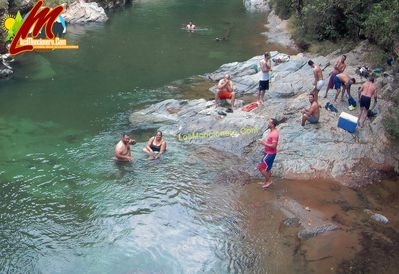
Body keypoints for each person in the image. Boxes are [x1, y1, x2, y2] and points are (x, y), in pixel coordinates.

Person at [257, 118, 279, 189]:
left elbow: (274, 146)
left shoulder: (274, 134)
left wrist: (263, 143)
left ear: (272, 125)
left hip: (270, 154)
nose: (268, 123)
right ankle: (266, 181)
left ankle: (269, 181)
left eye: (269, 123)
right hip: (269, 153)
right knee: (268, 169)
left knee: (261, 168)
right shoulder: (272, 131)